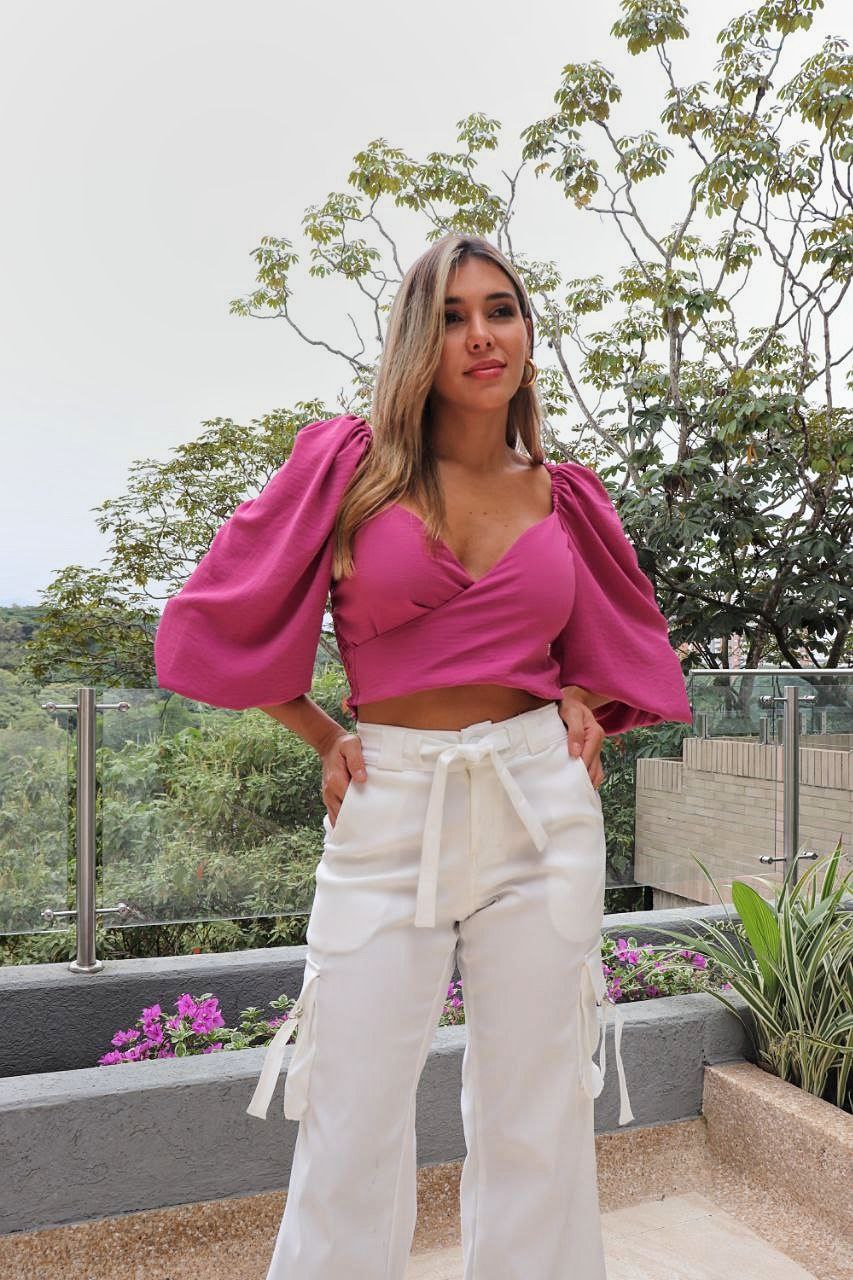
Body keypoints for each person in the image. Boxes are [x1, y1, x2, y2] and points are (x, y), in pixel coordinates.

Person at [153, 233, 693, 1279]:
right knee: (347, 1112)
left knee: (537, 1112)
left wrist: (580, 699)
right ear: (416, 341)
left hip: (538, 803)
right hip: (391, 798)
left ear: (526, 334)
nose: (481, 335)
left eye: (500, 310)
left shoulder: (564, 495)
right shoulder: (349, 469)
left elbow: (619, 640)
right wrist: (324, 732)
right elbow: (218, 619)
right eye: (451, 317)